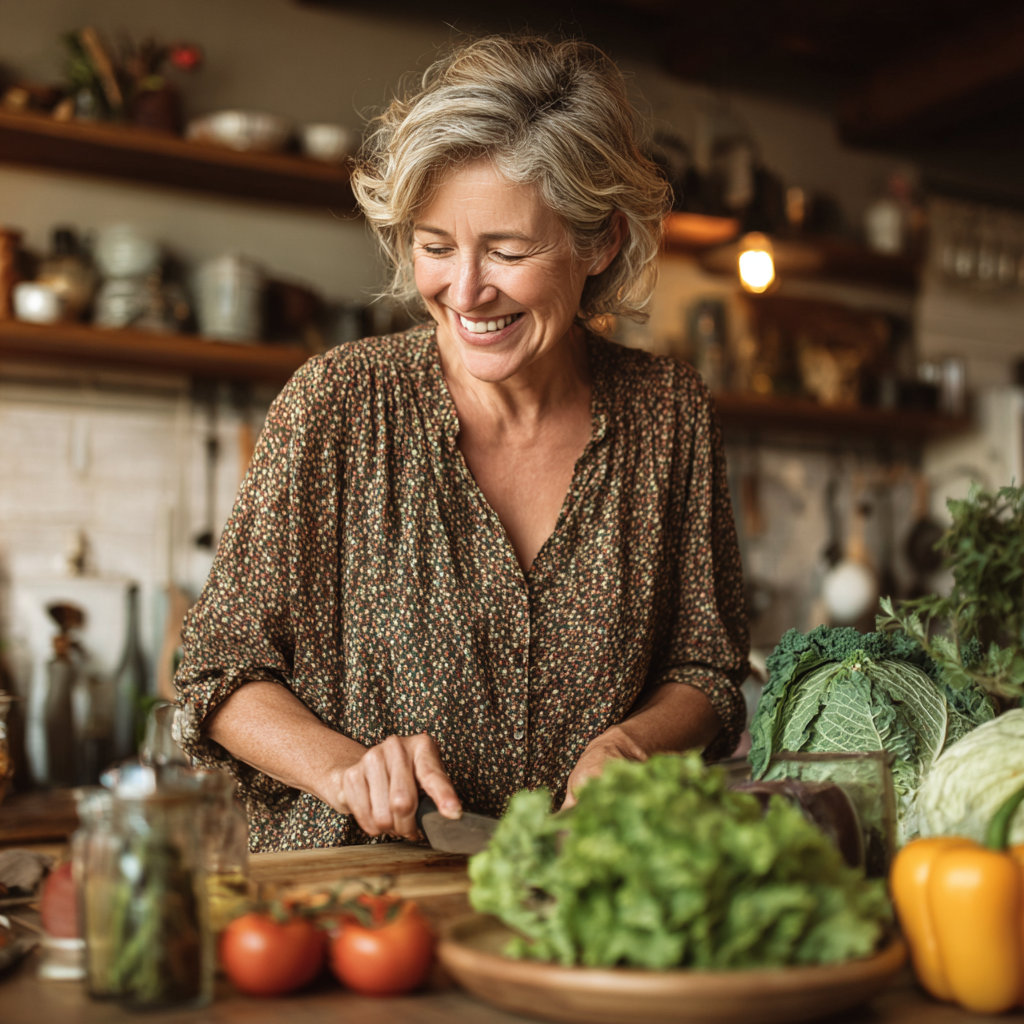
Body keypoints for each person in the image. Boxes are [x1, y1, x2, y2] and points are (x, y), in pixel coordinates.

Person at [174, 34, 750, 852]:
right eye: (436, 247)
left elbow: (706, 669)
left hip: (587, 891)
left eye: (509, 251)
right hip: (360, 899)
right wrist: (345, 769)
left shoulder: (669, 414)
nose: (465, 290)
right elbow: (217, 673)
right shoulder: (337, 405)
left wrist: (630, 744)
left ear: (601, 243)